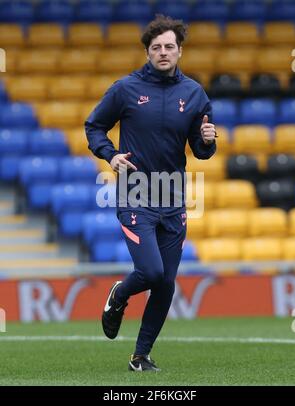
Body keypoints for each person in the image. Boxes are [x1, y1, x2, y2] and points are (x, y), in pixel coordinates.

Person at [85, 15, 217, 372]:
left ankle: (140, 356)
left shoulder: (194, 94)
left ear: (179, 51)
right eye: (156, 47)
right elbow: (94, 125)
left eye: (169, 46)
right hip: (136, 194)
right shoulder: (125, 89)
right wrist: (110, 154)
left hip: (173, 197)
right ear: (147, 51)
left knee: (167, 282)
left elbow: (200, 148)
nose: (163, 52)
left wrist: (207, 143)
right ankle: (120, 294)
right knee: (152, 271)